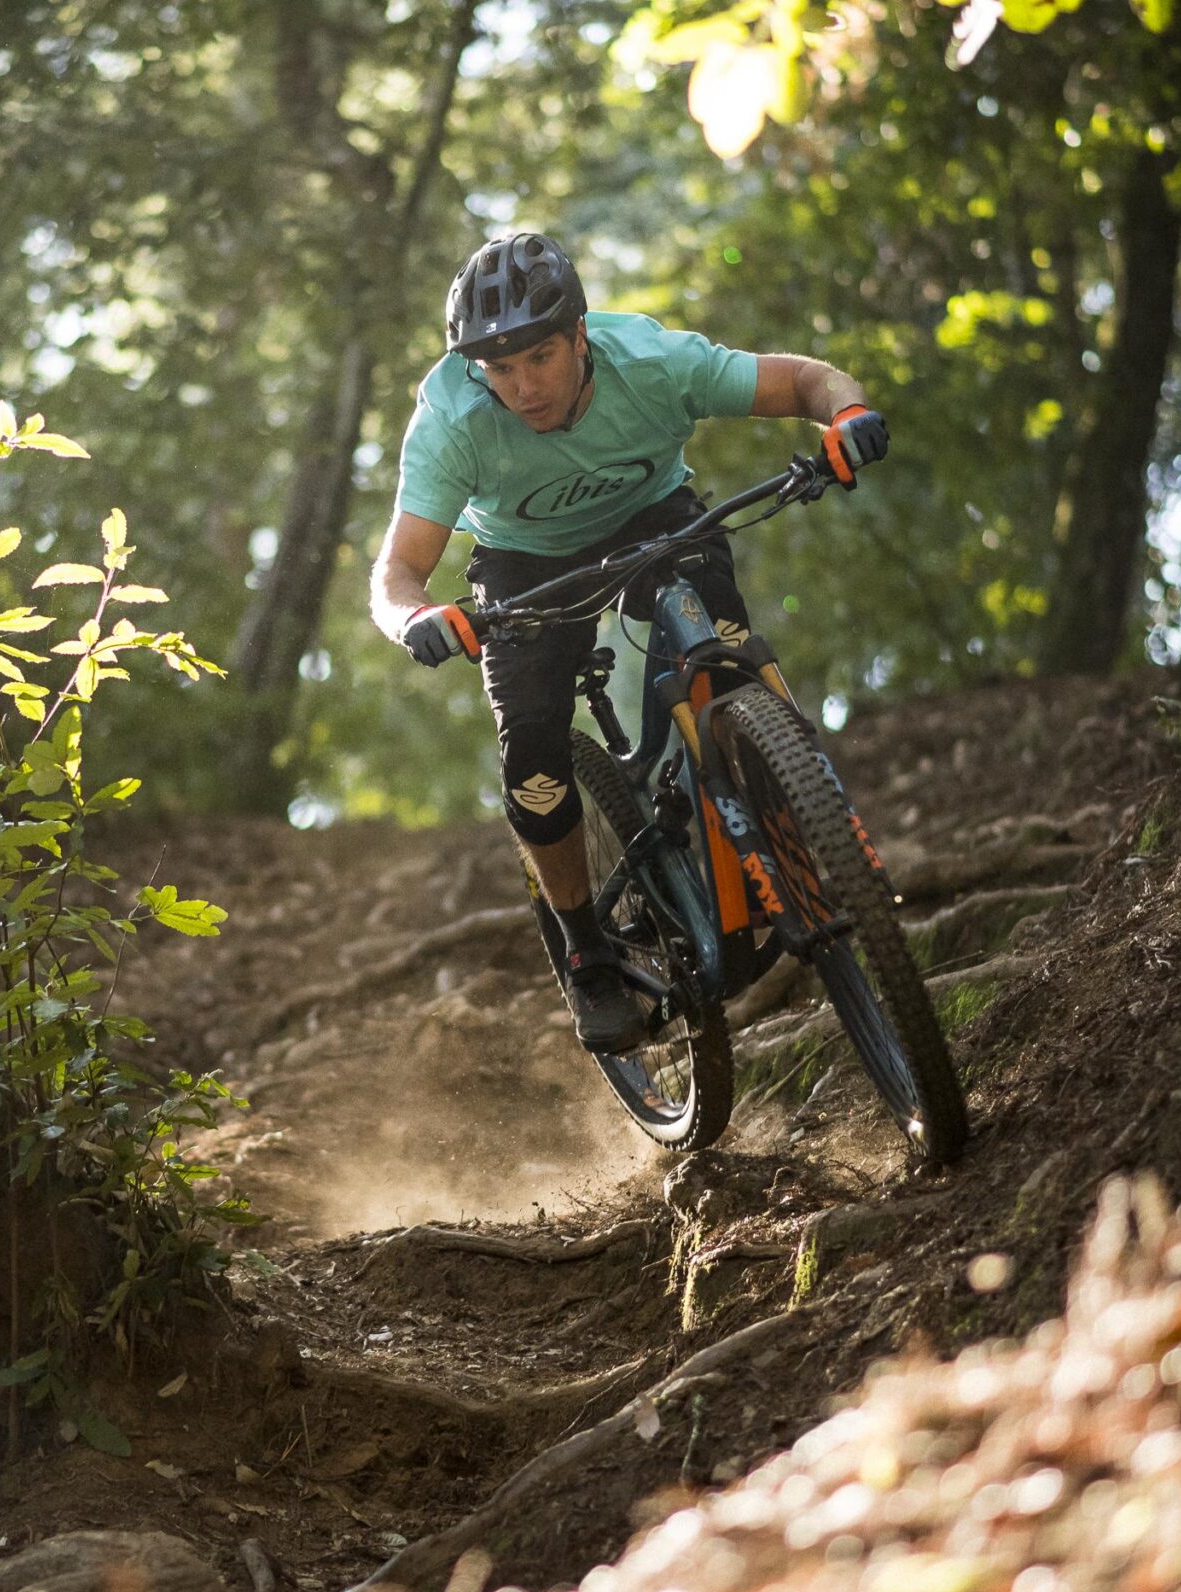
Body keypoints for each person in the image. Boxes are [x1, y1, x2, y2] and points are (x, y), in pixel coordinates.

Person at [366, 231, 889, 1052]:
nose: (522, 388)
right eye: (500, 371)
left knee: (723, 647)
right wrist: (418, 619)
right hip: (523, 563)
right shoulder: (452, 419)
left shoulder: (649, 360)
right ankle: (585, 951)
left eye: (539, 357)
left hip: (654, 519)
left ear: (580, 334)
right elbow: (397, 571)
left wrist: (847, 412)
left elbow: (807, 381)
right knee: (534, 756)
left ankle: (804, 818)